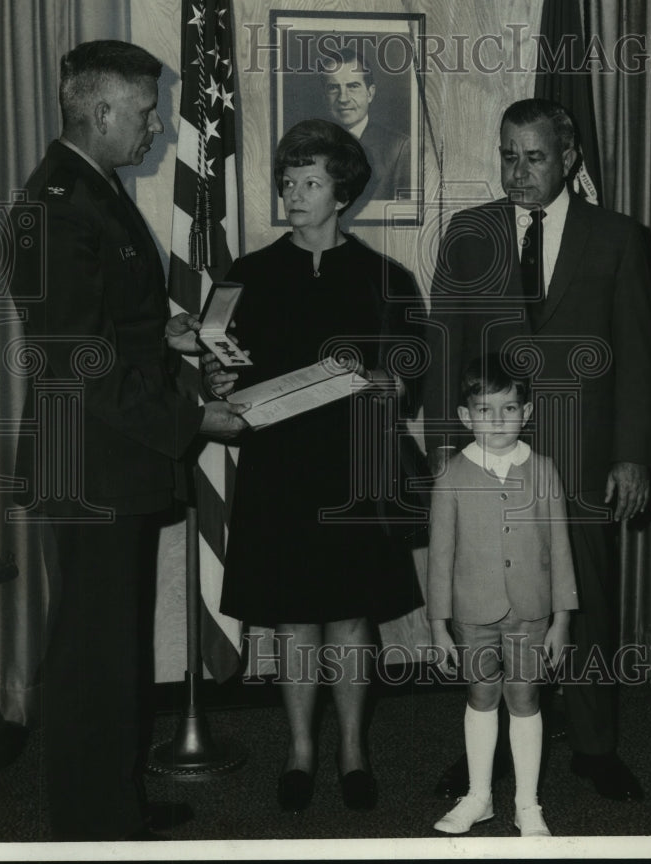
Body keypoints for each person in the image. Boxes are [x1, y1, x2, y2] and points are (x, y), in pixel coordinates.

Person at [8, 40, 248, 841]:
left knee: (112, 650)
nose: (155, 129)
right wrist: (193, 421)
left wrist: (167, 334)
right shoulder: (55, 204)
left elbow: (107, 330)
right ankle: (89, 825)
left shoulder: (88, 189)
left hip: (111, 460)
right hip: (95, 466)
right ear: (101, 110)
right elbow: (77, 361)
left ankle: (113, 804)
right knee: (93, 657)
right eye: (146, 112)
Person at [423, 98, 651, 803]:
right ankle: (487, 747)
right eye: (506, 156)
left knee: (581, 599)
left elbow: (641, 358)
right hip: (487, 454)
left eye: (532, 158)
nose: (516, 172)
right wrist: (442, 449)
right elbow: (444, 349)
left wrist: (632, 454)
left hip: (582, 454)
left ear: (569, 159)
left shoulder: (618, 238)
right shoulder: (468, 235)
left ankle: (593, 746)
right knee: (486, 600)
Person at [204, 118, 425, 812]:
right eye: (286, 182)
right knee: (295, 619)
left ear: (341, 192)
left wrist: (387, 382)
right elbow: (219, 362)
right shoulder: (246, 274)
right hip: (280, 468)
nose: (293, 194)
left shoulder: (385, 277)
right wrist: (216, 379)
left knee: (352, 617)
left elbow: (411, 371)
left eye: (308, 182)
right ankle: (299, 752)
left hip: (353, 468)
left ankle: (353, 751)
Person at [428, 356, 577, 836]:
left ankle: (527, 803)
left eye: (509, 408)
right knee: (481, 696)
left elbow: (560, 546)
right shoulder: (451, 477)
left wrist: (562, 620)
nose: (498, 421)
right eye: (485, 410)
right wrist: (438, 626)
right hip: (473, 614)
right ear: (466, 416)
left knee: (525, 698)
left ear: (527, 413)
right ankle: (478, 796)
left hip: (532, 613)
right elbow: (439, 558)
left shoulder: (544, 470)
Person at [318, 46, 411, 221]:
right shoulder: (310, 147)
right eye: (333, 88)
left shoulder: (399, 148)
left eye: (353, 86)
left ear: (370, 93)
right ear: (324, 96)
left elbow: (404, 219)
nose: (343, 98)